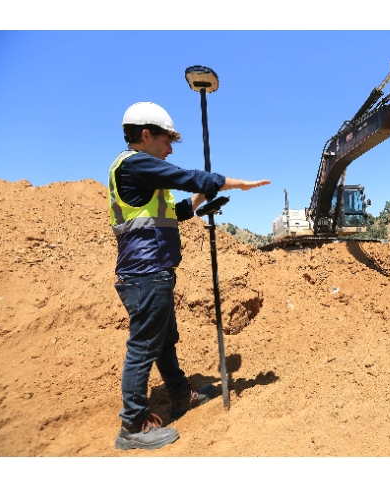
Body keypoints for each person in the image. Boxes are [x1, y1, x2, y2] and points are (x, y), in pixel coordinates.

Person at [108, 101, 270, 451]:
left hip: (151, 272)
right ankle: (133, 425)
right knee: (143, 347)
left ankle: (181, 395)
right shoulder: (136, 165)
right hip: (145, 273)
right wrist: (230, 183)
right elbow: (184, 176)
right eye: (167, 141)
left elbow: (172, 212)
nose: (169, 148)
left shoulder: (139, 172)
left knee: (164, 341)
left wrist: (199, 202)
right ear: (146, 135)